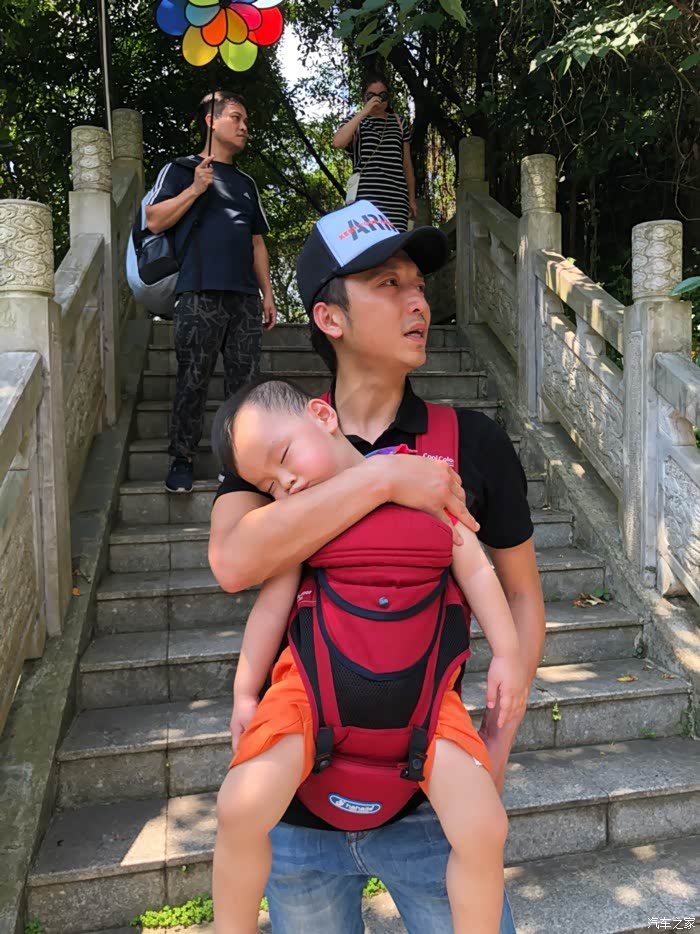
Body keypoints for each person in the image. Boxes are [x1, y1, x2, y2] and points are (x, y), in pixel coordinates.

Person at [208, 200, 546, 934]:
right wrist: (386, 478)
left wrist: (501, 723)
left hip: (428, 795)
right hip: (296, 806)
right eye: (388, 284)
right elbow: (235, 562)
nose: (417, 300)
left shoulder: (473, 443)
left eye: (417, 284)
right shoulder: (270, 438)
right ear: (329, 317)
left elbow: (519, 592)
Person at [145, 90, 277, 494]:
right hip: (198, 291)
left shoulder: (246, 183)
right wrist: (195, 189)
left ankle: (238, 465)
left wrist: (268, 294)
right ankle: (181, 459)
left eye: (246, 121)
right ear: (211, 121)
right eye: (235, 117)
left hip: (244, 298)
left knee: (245, 386)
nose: (243, 127)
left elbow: (257, 241)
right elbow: (153, 220)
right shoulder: (181, 170)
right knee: (192, 378)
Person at [332, 73, 416, 231]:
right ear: (363, 97)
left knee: (395, 242)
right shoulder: (356, 122)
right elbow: (338, 142)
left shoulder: (399, 122)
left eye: (382, 95)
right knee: (369, 242)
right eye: (371, 96)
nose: (377, 100)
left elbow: (407, 165)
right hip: (365, 198)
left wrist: (411, 199)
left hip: (396, 198)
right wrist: (364, 112)